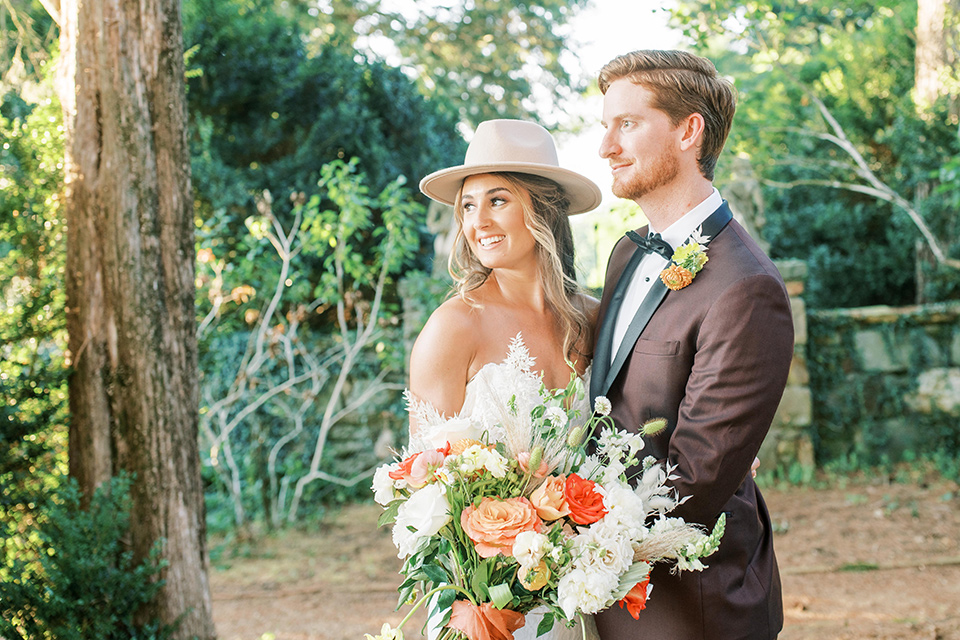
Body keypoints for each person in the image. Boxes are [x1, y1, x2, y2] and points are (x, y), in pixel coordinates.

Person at [589, 50, 794, 640]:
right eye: (606, 126)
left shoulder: (747, 286)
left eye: (626, 124)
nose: (606, 146)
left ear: (688, 130)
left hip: (693, 611)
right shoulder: (628, 253)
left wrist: (550, 535)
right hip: (608, 596)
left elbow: (695, 485)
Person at [410, 119, 603, 640]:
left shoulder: (597, 319)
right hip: (485, 606)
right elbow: (421, 492)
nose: (477, 222)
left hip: (581, 592)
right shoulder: (454, 327)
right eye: (468, 206)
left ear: (544, 208)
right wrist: (469, 602)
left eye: (497, 200)